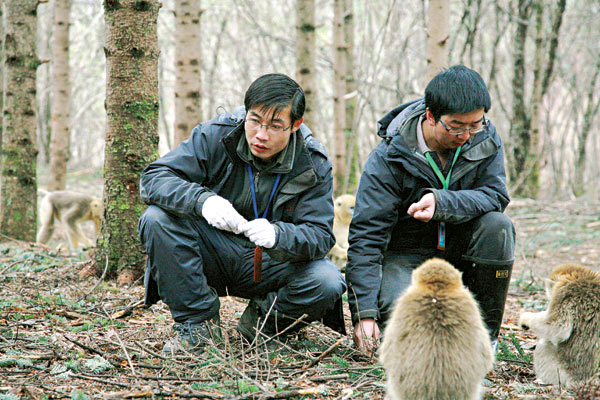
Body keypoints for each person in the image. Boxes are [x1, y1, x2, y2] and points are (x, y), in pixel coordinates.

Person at [138, 73, 346, 353]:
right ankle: (199, 326)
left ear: (295, 125)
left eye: (275, 126)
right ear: (246, 113)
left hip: (273, 260)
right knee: (156, 219)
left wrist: (278, 234)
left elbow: (320, 235)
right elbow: (154, 177)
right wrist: (203, 201)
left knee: (327, 280)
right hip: (212, 249)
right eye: (255, 121)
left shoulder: (312, 162)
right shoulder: (216, 134)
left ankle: (263, 325)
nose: (261, 135)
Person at [346, 65, 515, 355]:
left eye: (475, 124)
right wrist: (365, 314)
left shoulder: (485, 139)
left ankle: (485, 342)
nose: (466, 135)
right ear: (430, 116)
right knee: (404, 323)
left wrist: (443, 203)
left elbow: (495, 195)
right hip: (405, 255)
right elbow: (366, 236)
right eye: (456, 126)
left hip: (463, 251)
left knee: (498, 226)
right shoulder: (390, 156)